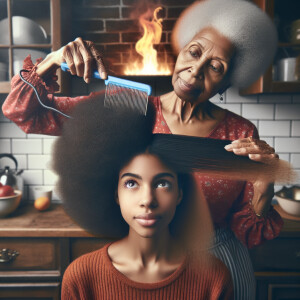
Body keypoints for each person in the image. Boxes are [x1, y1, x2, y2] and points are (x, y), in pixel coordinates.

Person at [1, 0, 284, 298]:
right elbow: (26, 113)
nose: (196, 70)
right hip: (144, 265)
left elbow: (247, 231)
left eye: (215, 67)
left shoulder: (241, 133)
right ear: (181, 51)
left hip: (217, 265)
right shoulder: (130, 108)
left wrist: (265, 189)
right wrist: (53, 59)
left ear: (227, 82)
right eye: (194, 52)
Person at [54, 99, 234, 299]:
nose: (148, 200)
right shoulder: (81, 278)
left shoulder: (214, 278)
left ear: (180, 194)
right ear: (116, 194)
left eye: (162, 183)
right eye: (131, 183)